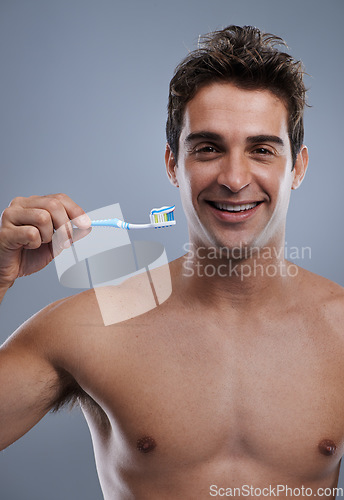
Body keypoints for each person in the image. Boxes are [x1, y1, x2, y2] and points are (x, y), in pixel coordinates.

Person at [1, 24, 344, 499]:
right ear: (171, 163)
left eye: (262, 149)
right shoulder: (95, 327)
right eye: (208, 148)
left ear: (298, 167)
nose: (234, 178)